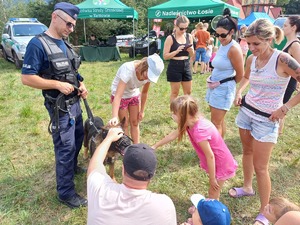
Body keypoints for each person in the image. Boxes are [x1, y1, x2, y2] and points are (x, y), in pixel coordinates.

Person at [228, 18, 300, 225]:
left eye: (256, 44)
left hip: (267, 120)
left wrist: (285, 108)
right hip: (246, 113)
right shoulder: (251, 58)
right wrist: (240, 91)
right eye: (248, 43)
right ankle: (248, 187)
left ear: (269, 39)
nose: (251, 48)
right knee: (247, 153)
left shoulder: (283, 60)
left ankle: (265, 212)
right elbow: (246, 78)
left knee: (261, 167)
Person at [21, 2, 88, 208]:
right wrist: (56, 84)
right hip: (59, 107)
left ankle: (73, 167)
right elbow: (27, 78)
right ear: (54, 17)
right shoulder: (37, 44)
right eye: (69, 24)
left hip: (75, 102)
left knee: (78, 138)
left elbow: (72, 71)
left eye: (74, 25)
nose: (71, 29)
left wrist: (81, 83)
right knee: (65, 148)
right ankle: (65, 193)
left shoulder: (65, 43)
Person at [152, 95, 237, 200]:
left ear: (183, 115)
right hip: (216, 162)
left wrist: (212, 178)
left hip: (221, 163)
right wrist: (155, 146)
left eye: (174, 113)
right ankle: (209, 207)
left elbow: (210, 156)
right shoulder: (190, 122)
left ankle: (211, 212)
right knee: (213, 190)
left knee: (213, 191)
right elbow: (173, 135)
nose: (172, 115)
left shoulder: (199, 131)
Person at [87, 127, 177, 225]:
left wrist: (109, 138)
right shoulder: (164, 205)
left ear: (123, 169)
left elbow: (95, 164)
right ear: (152, 175)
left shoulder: (99, 190)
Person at [108, 53, 164, 144]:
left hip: (133, 94)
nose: (148, 78)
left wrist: (142, 111)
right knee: (124, 124)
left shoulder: (147, 77)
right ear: (144, 66)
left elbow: (144, 93)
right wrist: (114, 116)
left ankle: (136, 148)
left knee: (135, 122)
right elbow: (118, 96)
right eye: (148, 74)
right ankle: (126, 148)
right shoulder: (128, 69)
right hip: (121, 96)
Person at [205, 8, 244, 138]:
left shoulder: (234, 49)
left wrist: (227, 84)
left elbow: (240, 74)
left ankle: (217, 151)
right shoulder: (223, 45)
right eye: (217, 35)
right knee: (218, 121)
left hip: (223, 88)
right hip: (216, 86)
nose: (219, 38)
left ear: (231, 32)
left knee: (215, 123)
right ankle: (220, 148)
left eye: (223, 35)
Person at [163, 15, 194, 103]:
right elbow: (165, 56)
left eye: (186, 28)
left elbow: (192, 55)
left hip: (186, 64)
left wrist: (191, 50)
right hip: (174, 66)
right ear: (176, 26)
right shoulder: (170, 38)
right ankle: (174, 112)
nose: (183, 31)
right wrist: (176, 51)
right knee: (175, 93)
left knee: (188, 92)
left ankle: (187, 111)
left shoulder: (189, 36)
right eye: (181, 28)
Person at [279, 15, 300, 134]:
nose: (283, 28)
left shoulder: (295, 45)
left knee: (281, 107)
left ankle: (276, 133)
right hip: (284, 80)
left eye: (285, 25)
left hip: (289, 82)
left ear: (293, 28)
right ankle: (278, 132)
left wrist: (297, 83)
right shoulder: (289, 43)